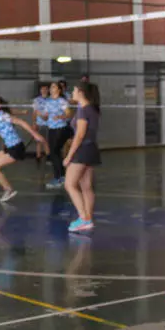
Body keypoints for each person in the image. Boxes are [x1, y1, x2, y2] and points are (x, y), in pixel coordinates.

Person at [0, 96, 45, 202]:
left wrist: (35, 134)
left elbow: (21, 122)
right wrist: (22, 112)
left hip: (16, 147)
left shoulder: (2, 116)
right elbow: (11, 110)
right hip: (9, 146)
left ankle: (8, 190)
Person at [63, 82, 102, 233]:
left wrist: (69, 156)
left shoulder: (84, 110)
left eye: (74, 90)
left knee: (69, 184)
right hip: (91, 149)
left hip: (82, 150)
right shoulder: (91, 108)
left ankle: (84, 218)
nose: (72, 92)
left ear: (81, 92)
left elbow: (79, 135)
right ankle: (88, 218)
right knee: (86, 186)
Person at [44, 82, 71, 189]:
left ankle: (58, 177)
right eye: (51, 87)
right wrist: (44, 116)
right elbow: (46, 116)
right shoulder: (47, 101)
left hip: (60, 128)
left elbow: (68, 113)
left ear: (59, 90)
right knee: (54, 153)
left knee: (54, 152)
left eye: (54, 87)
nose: (51, 88)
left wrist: (60, 117)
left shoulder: (61, 101)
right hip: (51, 128)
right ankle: (62, 176)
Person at [33, 84, 50, 160]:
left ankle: (48, 157)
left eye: (45, 89)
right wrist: (34, 123)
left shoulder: (51, 100)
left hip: (49, 124)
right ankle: (38, 156)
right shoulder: (36, 100)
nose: (44, 90)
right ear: (40, 90)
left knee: (46, 141)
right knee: (38, 141)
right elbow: (34, 112)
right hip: (39, 123)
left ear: (48, 90)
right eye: (42, 89)